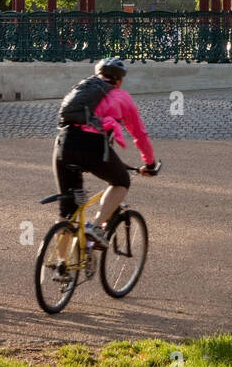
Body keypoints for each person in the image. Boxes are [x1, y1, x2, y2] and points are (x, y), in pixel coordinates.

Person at [53, 57, 158, 249]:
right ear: (119, 80)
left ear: (98, 75)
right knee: (121, 181)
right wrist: (150, 164)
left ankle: (60, 267)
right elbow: (139, 134)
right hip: (92, 147)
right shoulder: (121, 97)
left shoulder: (83, 89)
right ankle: (95, 227)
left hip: (64, 143)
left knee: (67, 210)